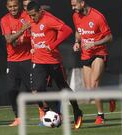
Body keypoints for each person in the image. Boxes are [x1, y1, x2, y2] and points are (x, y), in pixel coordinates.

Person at [27, 1, 83, 129]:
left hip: (53, 61)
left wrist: (53, 45)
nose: (32, 18)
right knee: (36, 90)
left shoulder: (49, 19)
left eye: (34, 15)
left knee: (63, 87)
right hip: (38, 61)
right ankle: (51, 113)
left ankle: (76, 110)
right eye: (30, 16)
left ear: (40, 12)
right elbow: (36, 36)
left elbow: (67, 30)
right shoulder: (32, 19)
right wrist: (33, 47)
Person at [71, 0, 114, 125]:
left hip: (99, 54)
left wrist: (94, 43)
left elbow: (109, 37)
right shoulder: (75, 16)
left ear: (82, 3)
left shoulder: (98, 16)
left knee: (94, 85)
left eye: (75, 5)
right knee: (89, 89)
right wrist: (77, 42)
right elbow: (78, 31)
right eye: (72, 5)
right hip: (86, 55)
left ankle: (100, 116)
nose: (73, 8)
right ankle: (110, 95)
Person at [0, 0, 32, 126]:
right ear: (7, 7)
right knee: (11, 89)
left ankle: (44, 112)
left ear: (19, 6)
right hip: (12, 60)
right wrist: (23, 30)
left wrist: (23, 38)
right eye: (10, 7)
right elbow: (9, 39)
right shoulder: (4, 20)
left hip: (28, 58)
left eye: (15, 6)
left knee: (34, 88)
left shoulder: (27, 15)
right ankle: (18, 117)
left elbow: (33, 34)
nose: (13, 9)